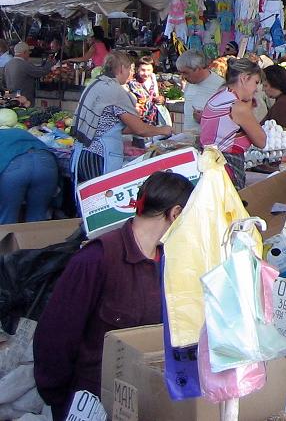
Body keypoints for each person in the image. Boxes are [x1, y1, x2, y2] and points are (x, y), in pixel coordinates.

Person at [34, 171, 193, 421]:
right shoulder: (96, 259)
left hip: (143, 397)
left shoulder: (171, 260)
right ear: (176, 213)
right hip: (90, 399)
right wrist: (59, 398)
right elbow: (56, 335)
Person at [70, 51, 173, 182]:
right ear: (121, 68)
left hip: (81, 154)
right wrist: (163, 130)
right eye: (129, 69)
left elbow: (108, 125)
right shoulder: (115, 90)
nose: (130, 73)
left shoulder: (95, 83)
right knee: (102, 193)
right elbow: (140, 130)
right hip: (99, 156)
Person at [200, 57, 268, 188]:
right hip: (227, 167)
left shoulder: (218, 96)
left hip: (208, 163)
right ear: (244, 78)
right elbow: (261, 141)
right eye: (256, 82)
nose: (257, 89)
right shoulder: (237, 107)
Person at [0, 109, 59, 222]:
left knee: (7, 216)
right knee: (38, 216)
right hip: (47, 163)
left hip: (15, 168)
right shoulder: (23, 132)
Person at [175, 50, 224, 134]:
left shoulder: (220, 85)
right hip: (188, 137)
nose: (183, 77)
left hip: (209, 139)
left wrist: (206, 119)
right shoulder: (189, 83)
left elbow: (228, 118)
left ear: (198, 68)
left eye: (185, 73)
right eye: (181, 73)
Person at [262, 63, 286, 135]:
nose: (263, 89)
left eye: (265, 86)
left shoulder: (282, 105)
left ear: (275, 84)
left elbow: (280, 134)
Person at [126, 54, 163, 126]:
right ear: (137, 69)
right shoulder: (132, 82)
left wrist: (160, 99)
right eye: (143, 70)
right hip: (137, 121)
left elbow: (156, 95)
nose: (146, 73)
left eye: (149, 70)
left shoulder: (153, 78)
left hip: (153, 119)